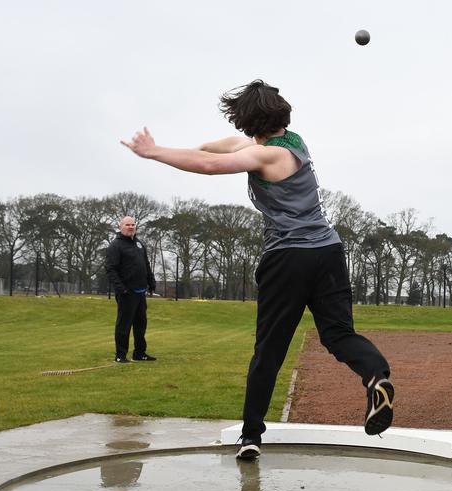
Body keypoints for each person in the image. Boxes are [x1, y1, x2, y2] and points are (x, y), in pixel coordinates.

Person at [121, 80, 394, 460]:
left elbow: (210, 164)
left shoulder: (265, 157)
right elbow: (215, 148)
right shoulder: (292, 143)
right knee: (338, 334)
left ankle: (251, 435)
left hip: (289, 258)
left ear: (250, 124)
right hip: (328, 252)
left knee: (269, 350)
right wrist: (185, 148)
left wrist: (154, 153)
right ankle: (376, 377)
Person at [105, 216, 157, 363]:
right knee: (124, 325)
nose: (131, 227)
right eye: (127, 224)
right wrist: (121, 288)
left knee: (141, 325)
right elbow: (110, 269)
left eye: (133, 224)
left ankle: (140, 353)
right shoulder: (115, 246)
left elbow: (146, 265)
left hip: (141, 292)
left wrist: (151, 281)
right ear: (120, 227)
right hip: (126, 293)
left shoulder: (139, 244)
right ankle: (120, 355)